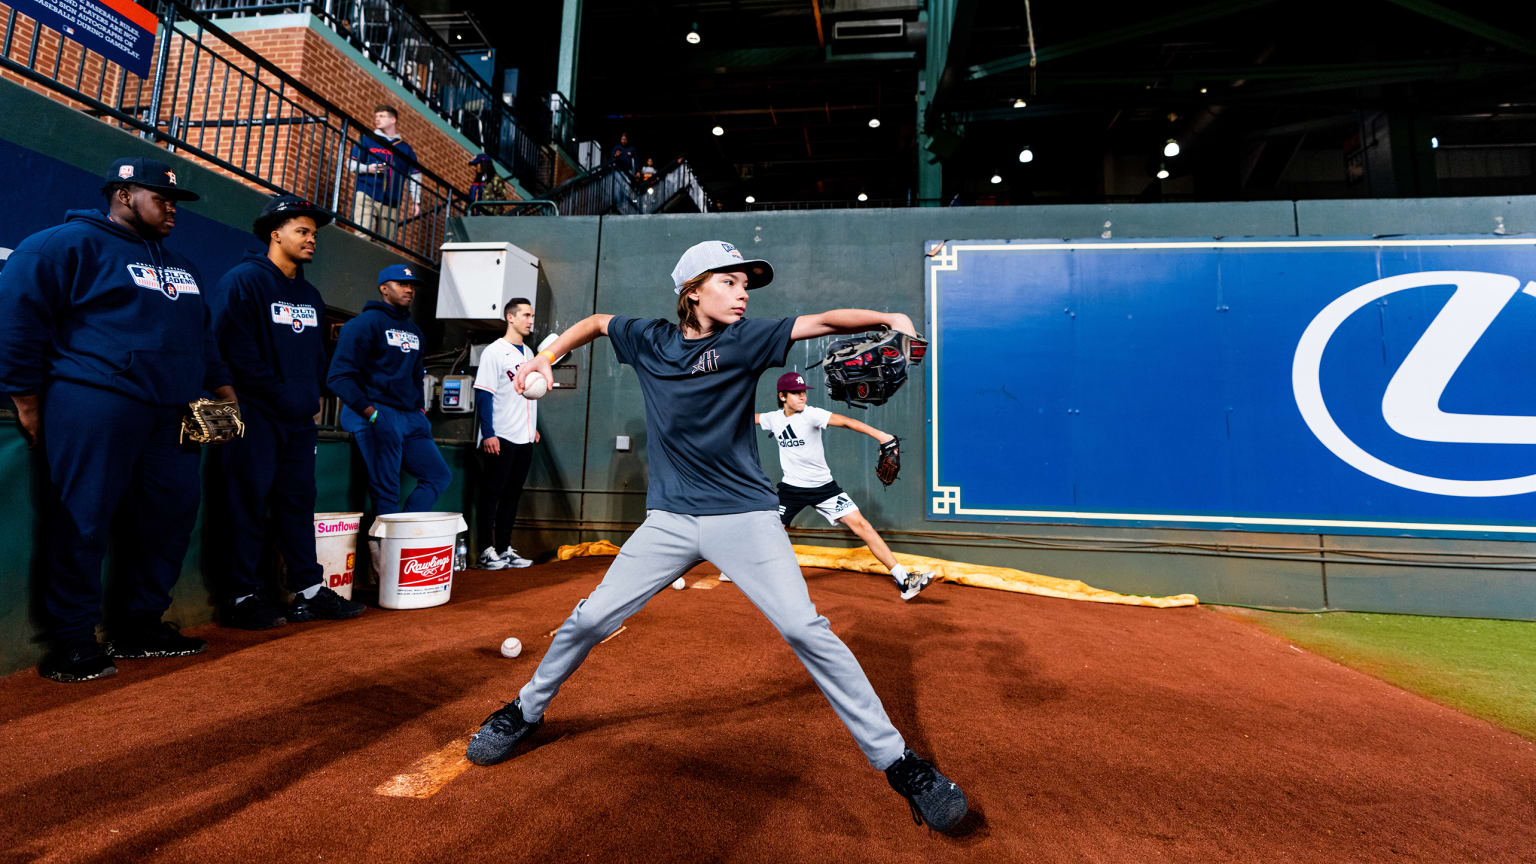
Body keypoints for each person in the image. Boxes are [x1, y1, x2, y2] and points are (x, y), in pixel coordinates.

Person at [463, 240, 969, 832]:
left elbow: (827, 321)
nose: (744, 290)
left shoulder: (748, 338)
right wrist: (545, 356)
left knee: (806, 628)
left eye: (746, 282)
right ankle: (525, 710)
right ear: (693, 290)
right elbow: (599, 322)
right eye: (729, 281)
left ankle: (899, 762)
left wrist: (893, 319)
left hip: (745, 516)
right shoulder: (650, 339)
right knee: (590, 620)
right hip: (670, 521)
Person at [0, 157, 236, 682]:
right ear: (125, 194)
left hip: (172, 413)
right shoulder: (63, 243)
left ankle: (140, 624)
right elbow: (16, 317)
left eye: (174, 200)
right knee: (82, 521)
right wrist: (27, 400)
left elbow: (202, 338)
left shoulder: (181, 265)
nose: (172, 208)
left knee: (169, 519)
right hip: (95, 401)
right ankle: (74, 641)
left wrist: (223, 390)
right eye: (161, 197)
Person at [208, 194, 366, 630]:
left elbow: (315, 357)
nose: (311, 240)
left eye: (314, 234)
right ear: (274, 234)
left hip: (298, 422)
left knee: (298, 504)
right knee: (245, 505)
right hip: (252, 414)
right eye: (302, 231)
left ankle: (308, 592)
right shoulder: (243, 281)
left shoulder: (310, 295)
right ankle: (241, 596)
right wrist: (279, 394)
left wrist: (308, 398)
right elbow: (229, 349)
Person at [750, 372, 935, 601]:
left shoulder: (812, 415)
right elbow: (749, 418)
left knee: (862, 526)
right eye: (796, 393)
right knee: (771, 532)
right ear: (782, 396)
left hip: (825, 488)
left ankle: (904, 580)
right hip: (791, 490)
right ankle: (742, 570)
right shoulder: (774, 419)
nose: (802, 397)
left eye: (803, 392)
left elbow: (847, 422)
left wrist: (882, 436)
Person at [326, 264, 451, 516]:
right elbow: (338, 377)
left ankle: (402, 536)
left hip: (410, 416)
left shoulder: (415, 331)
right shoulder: (363, 324)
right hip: (375, 411)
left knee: (439, 476)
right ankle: (385, 552)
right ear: (384, 289)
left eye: (411, 285)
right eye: (402, 284)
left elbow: (416, 377)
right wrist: (371, 413)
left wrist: (420, 411)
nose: (409, 290)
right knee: (387, 490)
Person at [472, 297, 540, 570]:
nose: (530, 320)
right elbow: (484, 394)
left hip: (524, 436)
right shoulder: (494, 352)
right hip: (500, 435)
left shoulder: (530, 354)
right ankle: (486, 550)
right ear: (510, 317)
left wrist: (532, 428)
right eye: (525, 315)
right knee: (492, 494)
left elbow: (531, 395)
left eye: (532, 315)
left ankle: (504, 548)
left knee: (513, 494)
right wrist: (488, 433)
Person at [349, 106, 423, 238]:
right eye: (376, 116)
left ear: (393, 119)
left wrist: (416, 201)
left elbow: (415, 175)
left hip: (391, 201)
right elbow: (350, 163)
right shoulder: (368, 139)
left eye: (381, 116)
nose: (377, 119)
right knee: (362, 236)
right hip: (367, 193)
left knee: (386, 243)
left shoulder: (405, 148)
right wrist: (368, 168)